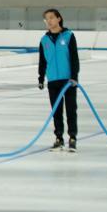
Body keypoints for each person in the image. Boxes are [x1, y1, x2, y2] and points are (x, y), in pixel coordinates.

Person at [37, 8, 80, 153]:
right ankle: (59, 138)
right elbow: (42, 61)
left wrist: (74, 77)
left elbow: (74, 58)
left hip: (68, 81)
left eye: (51, 17)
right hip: (53, 81)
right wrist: (41, 78)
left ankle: (72, 138)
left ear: (59, 18)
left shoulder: (68, 36)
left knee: (71, 110)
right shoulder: (44, 40)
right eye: (46, 19)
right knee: (56, 111)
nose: (48, 21)